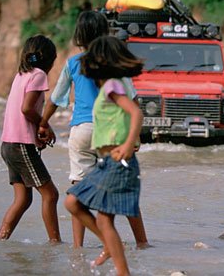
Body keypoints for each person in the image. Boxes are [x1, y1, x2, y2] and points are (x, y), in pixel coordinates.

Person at [39, 11, 149, 250]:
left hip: (81, 131)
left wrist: (42, 123)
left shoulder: (72, 63)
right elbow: (133, 100)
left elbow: (56, 99)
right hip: (111, 134)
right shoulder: (112, 63)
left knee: (79, 189)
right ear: (104, 33)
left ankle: (78, 248)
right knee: (124, 188)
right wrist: (135, 137)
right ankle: (141, 242)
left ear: (79, 35)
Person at [64, 35, 144, 276]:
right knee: (74, 203)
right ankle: (112, 249)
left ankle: (121, 269)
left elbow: (136, 114)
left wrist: (129, 144)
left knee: (88, 211)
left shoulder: (112, 85)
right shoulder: (109, 85)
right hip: (108, 162)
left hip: (118, 161)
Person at [0, 35, 60, 243]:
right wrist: (45, 125)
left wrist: (37, 134)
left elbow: (20, 112)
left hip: (8, 144)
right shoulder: (39, 75)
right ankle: (55, 243)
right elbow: (26, 109)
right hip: (20, 145)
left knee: (23, 199)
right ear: (49, 60)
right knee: (51, 194)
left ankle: (1, 240)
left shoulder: (21, 74)